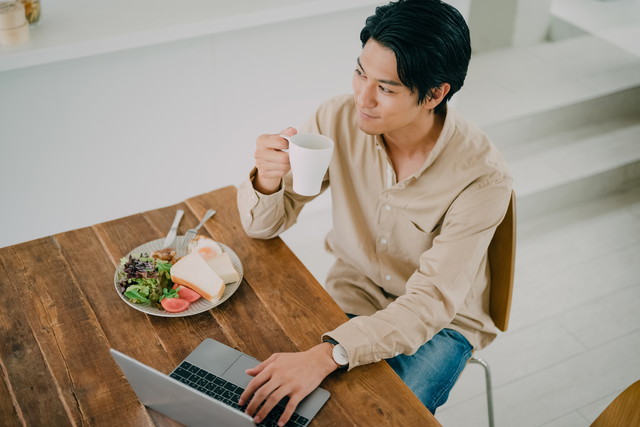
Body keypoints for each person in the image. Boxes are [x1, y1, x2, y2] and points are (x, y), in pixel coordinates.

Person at [236, 0, 512, 425]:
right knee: (273, 388)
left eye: (386, 88)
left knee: (379, 418)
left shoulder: (482, 178)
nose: (361, 98)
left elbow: (429, 303)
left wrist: (328, 354)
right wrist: (267, 180)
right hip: (356, 289)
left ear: (436, 93)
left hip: (442, 321)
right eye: (361, 72)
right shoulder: (336, 118)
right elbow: (262, 227)